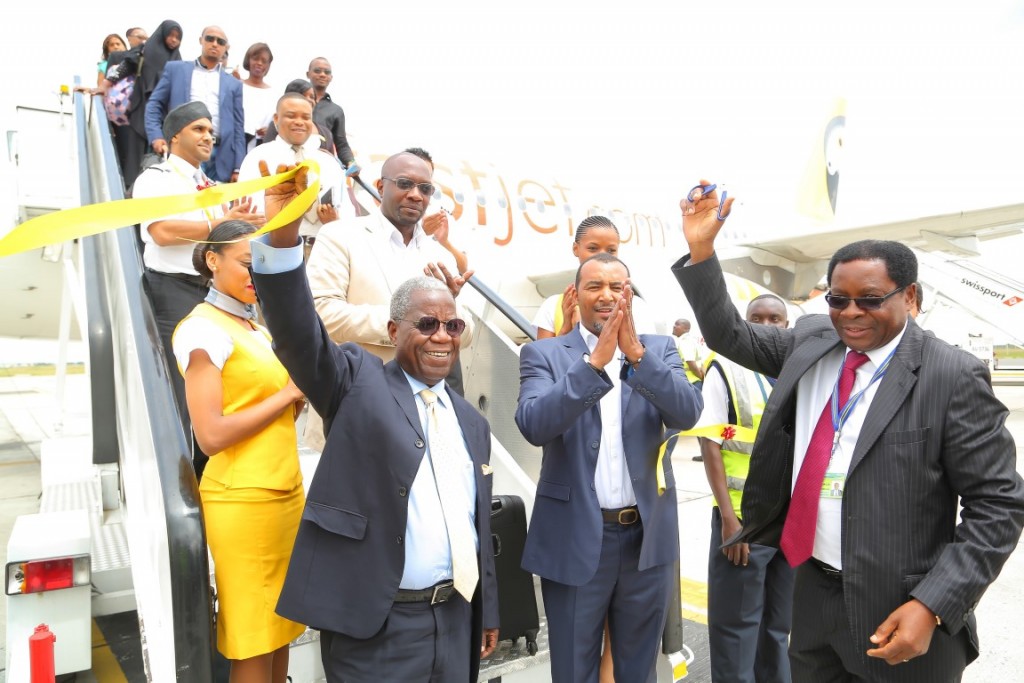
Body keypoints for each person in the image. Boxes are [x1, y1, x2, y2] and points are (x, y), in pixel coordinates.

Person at [673, 182, 1024, 682]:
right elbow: (729, 333)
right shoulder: (813, 343)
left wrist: (933, 603)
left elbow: (999, 504)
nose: (851, 313)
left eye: (871, 299)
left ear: (912, 298)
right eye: (838, 299)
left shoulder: (951, 375)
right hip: (813, 593)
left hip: (901, 607)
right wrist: (702, 252)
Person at [247, 163, 499, 681]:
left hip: (455, 622)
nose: (441, 336)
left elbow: (476, 524)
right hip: (379, 630)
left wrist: (486, 611)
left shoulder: (470, 422)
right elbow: (299, 333)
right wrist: (283, 235)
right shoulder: (357, 383)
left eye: (451, 326)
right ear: (392, 330)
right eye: (425, 324)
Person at [515, 252, 703, 682]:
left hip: (645, 542)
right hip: (576, 537)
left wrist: (635, 354)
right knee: (573, 669)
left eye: (617, 287)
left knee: (639, 669)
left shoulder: (658, 350)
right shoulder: (543, 354)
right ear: (575, 295)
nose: (606, 296)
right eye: (594, 286)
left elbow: (687, 413)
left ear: (630, 294)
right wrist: (594, 364)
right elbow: (534, 424)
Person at [172, 221, 306, 683]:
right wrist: (287, 395)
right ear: (213, 260)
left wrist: (291, 400)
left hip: (283, 493)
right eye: (249, 264)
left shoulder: (253, 327)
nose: (257, 275)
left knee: (282, 628)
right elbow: (210, 435)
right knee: (253, 637)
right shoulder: (201, 330)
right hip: (245, 501)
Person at [303, 150, 473, 450]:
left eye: (425, 188)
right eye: (405, 183)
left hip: (426, 417)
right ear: (381, 187)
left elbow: (467, 328)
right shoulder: (340, 236)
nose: (415, 195)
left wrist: (449, 317)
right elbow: (320, 313)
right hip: (356, 405)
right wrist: (405, 327)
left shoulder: (438, 255)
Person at [132, 101, 265, 478]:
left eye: (211, 131)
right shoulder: (155, 179)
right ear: (175, 135)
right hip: (172, 289)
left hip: (210, 290)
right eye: (199, 129)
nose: (209, 136)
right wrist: (219, 222)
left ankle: (216, 471)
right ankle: (187, 479)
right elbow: (159, 232)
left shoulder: (211, 186)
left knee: (222, 380)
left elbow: (224, 234)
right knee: (185, 384)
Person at [691, 293, 795, 683]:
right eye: (757, 319)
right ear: (744, 322)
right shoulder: (727, 367)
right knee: (737, 630)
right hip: (743, 521)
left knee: (776, 628)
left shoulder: (797, 367)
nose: (766, 327)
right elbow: (710, 443)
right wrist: (730, 521)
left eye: (775, 319)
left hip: (788, 520)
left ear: (787, 325)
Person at [237, 92, 342, 256]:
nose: (299, 122)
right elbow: (250, 215)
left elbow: (347, 214)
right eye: (291, 116)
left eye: (306, 117)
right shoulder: (258, 157)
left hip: (323, 253)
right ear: (276, 119)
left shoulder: (328, 162)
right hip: (276, 253)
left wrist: (335, 223)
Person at [145, 26, 246, 183]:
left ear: (226, 47)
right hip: (184, 149)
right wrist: (156, 136)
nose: (214, 44)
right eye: (210, 38)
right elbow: (154, 105)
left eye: (220, 41)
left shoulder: (234, 84)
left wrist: (238, 166)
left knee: (217, 206)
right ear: (201, 40)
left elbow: (238, 126)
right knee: (182, 201)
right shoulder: (176, 69)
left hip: (220, 155)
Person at [533, 216, 657, 339]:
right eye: (593, 248)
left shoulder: (637, 307)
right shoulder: (552, 306)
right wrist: (567, 332)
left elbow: (646, 355)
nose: (602, 255)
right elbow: (543, 357)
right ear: (576, 249)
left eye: (611, 250)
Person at [100, 19, 182, 192]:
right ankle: (129, 195)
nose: (174, 40)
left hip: (162, 116)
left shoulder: (178, 61)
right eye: (171, 35)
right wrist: (104, 85)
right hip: (138, 110)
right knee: (133, 159)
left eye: (178, 37)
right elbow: (125, 66)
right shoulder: (146, 49)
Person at [306, 57, 360, 176]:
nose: (322, 74)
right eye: (317, 70)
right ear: (308, 74)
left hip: (321, 166)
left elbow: (341, 143)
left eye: (327, 72)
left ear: (331, 77)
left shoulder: (336, 110)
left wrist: (351, 163)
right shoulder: (295, 100)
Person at [261, 79, 335, 155]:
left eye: (312, 97)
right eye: (302, 96)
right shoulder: (278, 126)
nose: (308, 100)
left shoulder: (326, 132)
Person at [240, 42, 276, 151]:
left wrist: (269, 130)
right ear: (248, 60)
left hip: (261, 145)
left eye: (264, 61)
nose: (259, 63)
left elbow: (276, 120)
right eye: (256, 59)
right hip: (238, 143)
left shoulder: (274, 93)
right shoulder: (237, 86)